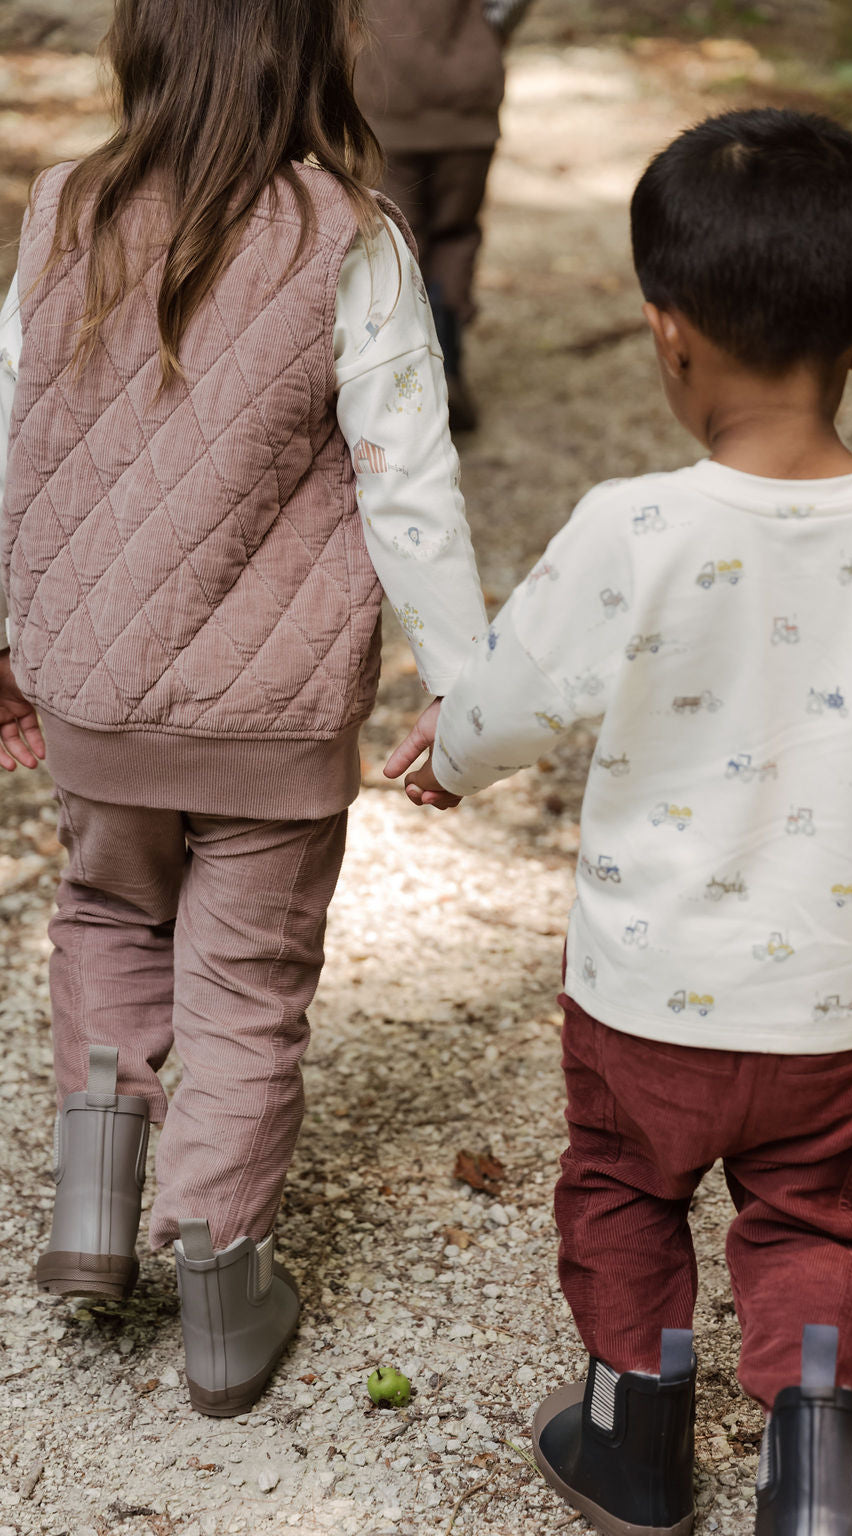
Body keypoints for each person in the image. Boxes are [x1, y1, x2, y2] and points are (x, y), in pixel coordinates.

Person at [384, 109, 852, 1536]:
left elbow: (518, 693)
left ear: (665, 334)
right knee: (817, 1219)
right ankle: (813, 1466)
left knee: (622, 1191)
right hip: (841, 1001)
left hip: (648, 1001)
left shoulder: (632, 527)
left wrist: (451, 757)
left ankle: (637, 1434)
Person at [0, 0, 486, 1418]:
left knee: (106, 912)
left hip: (97, 690)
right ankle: (218, 1273)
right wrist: (461, 679)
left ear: (140, 48)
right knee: (250, 984)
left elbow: (10, 430)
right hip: (270, 721)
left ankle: (93, 1208)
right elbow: (409, 477)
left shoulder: (60, 214)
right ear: (312, 54)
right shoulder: (352, 237)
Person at [354, 0, 533, 431]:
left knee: (393, 240)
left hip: (386, 88)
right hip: (468, 91)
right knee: (455, 234)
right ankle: (446, 365)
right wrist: (489, 27)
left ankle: (401, 385)